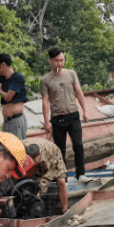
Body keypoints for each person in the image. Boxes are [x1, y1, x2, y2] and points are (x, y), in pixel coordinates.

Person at [40, 47, 91, 182]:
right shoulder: (45, 80)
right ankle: (63, 178)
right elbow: (45, 101)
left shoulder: (71, 74)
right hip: (57, 119)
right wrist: (46, 122)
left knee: (78, 145)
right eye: (56, 61)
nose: (60, 63)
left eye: (62, 60)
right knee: (60, 150)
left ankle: (81, 174)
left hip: (73, 115)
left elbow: (79, 92)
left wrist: (85, 111)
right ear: (50, 61)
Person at [23, 137, 69, 214]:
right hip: (35, 148)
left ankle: (65, 209)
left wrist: (39, 192)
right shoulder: (18, 149)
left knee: (60, 181)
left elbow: (45, 176)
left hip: (52, 154)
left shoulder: (42, 158)